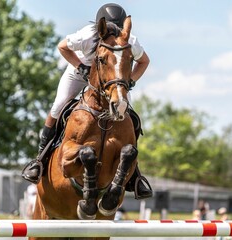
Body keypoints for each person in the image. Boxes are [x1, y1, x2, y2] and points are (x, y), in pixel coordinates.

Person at [22, 3, 152, 200]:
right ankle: (39, 159)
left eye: (118, 31)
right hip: (80, 72)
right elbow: (62, 46)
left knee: (129, 115)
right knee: (59, 105)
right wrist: (80, 65)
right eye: (111, 31)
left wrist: (130, 80)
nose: (115, 35)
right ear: (102, 28)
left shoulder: (130, 41)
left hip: (112, 79)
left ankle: (134, 173)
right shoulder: (87, 35)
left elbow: (144, 61)